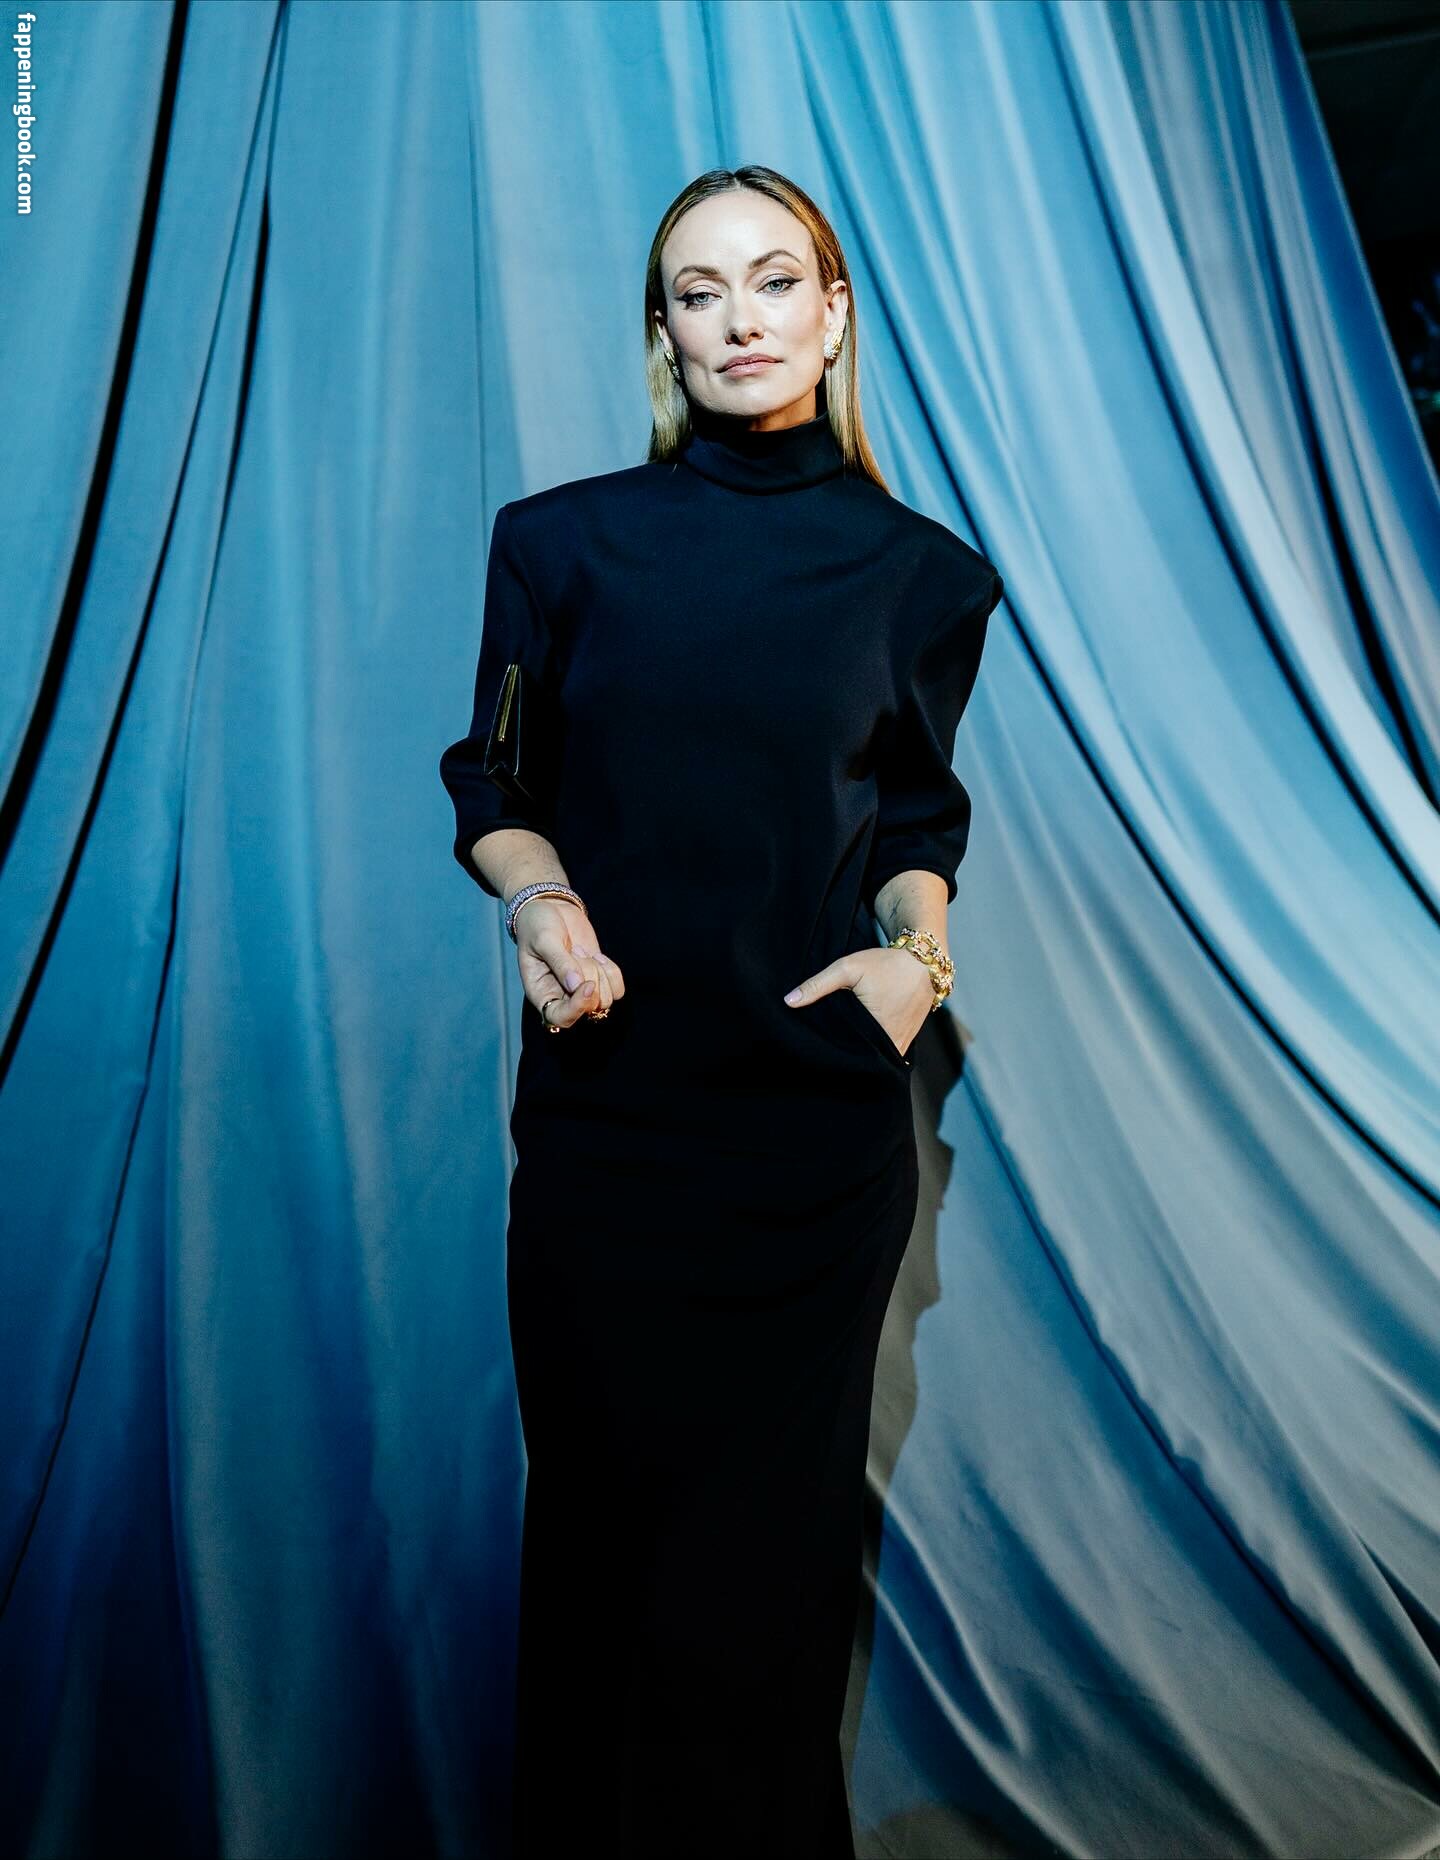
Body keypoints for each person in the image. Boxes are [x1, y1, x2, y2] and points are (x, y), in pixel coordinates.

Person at [439, 163, 1004, 1860]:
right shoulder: (557, 544)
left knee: (758, 1607)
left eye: (774, 281)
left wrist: (918, 960)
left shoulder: (924, 578)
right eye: (701, 290)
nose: (741, 318)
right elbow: (496, 785)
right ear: (665, 333)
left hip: (810, 1152)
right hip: (611, 1137)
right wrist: (542, 904)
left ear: (833, 316)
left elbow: (914, 830)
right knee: (605, 1582)